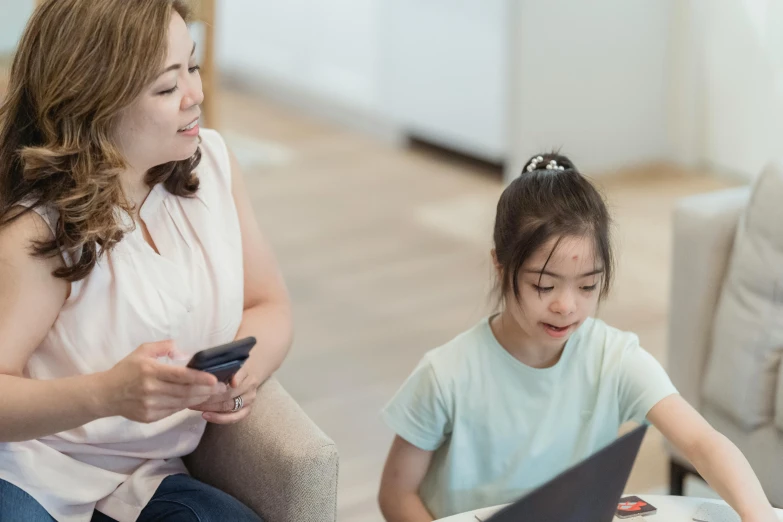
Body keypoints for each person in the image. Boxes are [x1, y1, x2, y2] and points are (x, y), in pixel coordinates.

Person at [0, 1, 292, 521]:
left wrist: (241, 377)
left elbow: (268, 305)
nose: (195, 96)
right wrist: (106, 395)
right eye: (166, 87)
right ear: (93, 102)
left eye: (193, 67)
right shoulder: (40, 229)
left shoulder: (214, 165)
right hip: (31, 470)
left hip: (146, 479)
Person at [378, 153, 777, 522]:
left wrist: (757, 515)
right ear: (501, 267)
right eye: (544, 286)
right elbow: (396, 495)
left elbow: (702, 442)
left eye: (587, 287)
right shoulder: (446, 375)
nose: (566, 306)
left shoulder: (614, 358)